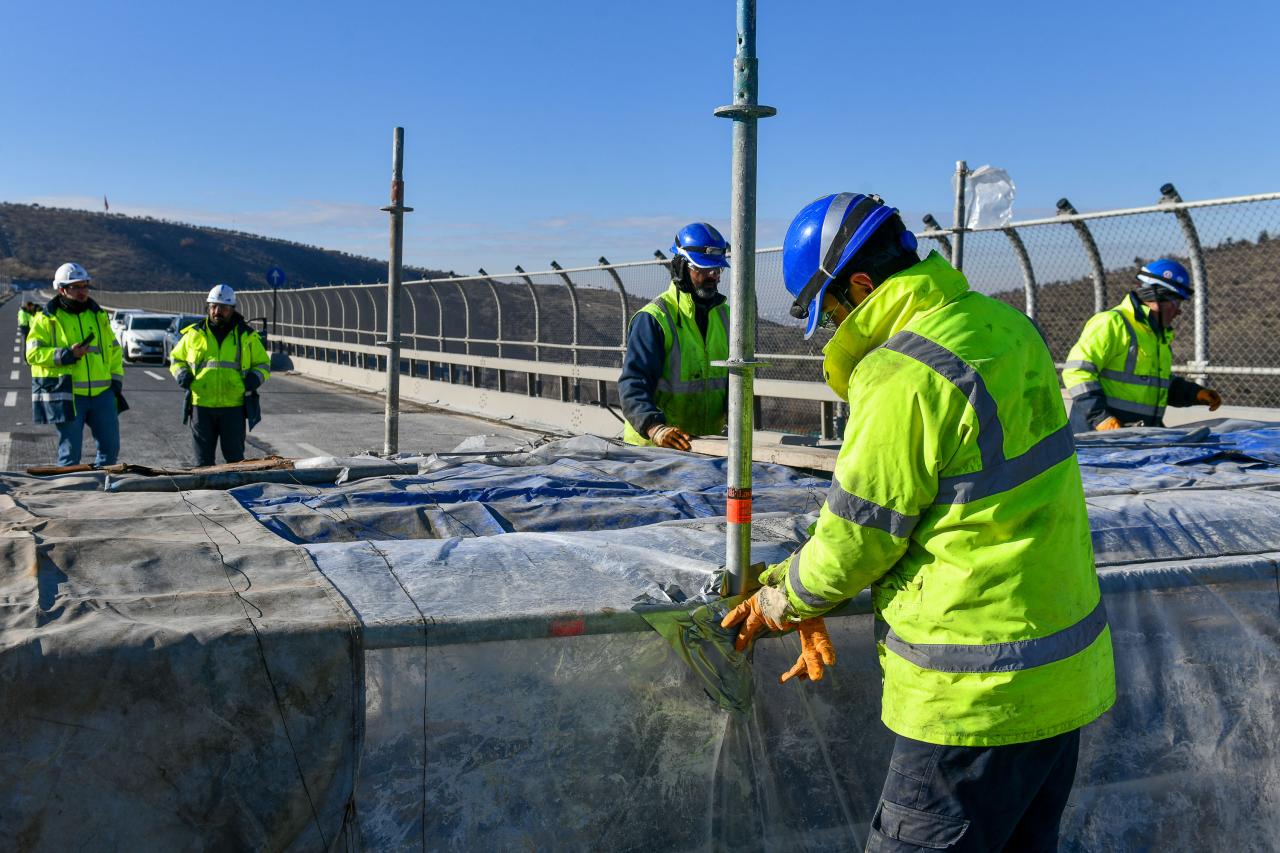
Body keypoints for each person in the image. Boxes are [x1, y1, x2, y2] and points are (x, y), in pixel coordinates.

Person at [721, 193, 1116, 852]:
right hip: (1061, 682)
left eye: (835, 311)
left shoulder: (902, 370)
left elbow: (857, 541)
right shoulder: (1004, 326)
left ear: (861, 284)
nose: (838, 326)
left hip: (973, 701)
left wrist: (782, 597)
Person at [1062, 258, 1222, 432]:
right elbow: (1077, 372)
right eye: (1176, 302)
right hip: (1097, 438)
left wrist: (1195, 394)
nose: (1179, 311)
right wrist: (1101, 418)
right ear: (1157, 297)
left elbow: (1156, 385)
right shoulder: (1112, 323)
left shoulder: (1156, 336)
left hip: (1135, 439)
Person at [618, 222, 730, 450]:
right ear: (680, 268)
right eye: (703, 269)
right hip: (654, 450)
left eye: (717, 270)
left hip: (704, 447)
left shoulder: (727, 316)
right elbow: (633, 383)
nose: (712, 277)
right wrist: (655, 428)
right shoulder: (654, 318)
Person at [24, 263, 126, 466]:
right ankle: (71, 495)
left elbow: (114, 349)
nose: (82, 292)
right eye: (76, 287)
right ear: (62, 289)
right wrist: (66, 355)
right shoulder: (46, 319)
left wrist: (115, 381)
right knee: (70, 454)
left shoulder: (98, 315)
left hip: (103, 394)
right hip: (69, 394)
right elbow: (32, 354)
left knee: (110, 450)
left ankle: (104, 495)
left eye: (84, 286)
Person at [169, 284, 270, 466]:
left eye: (223, 307)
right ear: (208, 308)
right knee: (202, 462)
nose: (217, 311)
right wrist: (182, 374)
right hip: (201, 405)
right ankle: (206, 494)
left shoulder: (246, 336)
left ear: (232, 309)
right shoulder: (194, 334)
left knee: (235, 461)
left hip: (234, 406)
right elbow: (176, 359)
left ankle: (235, 494)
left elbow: (263, 364)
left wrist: (254, 379)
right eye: (213, 307)